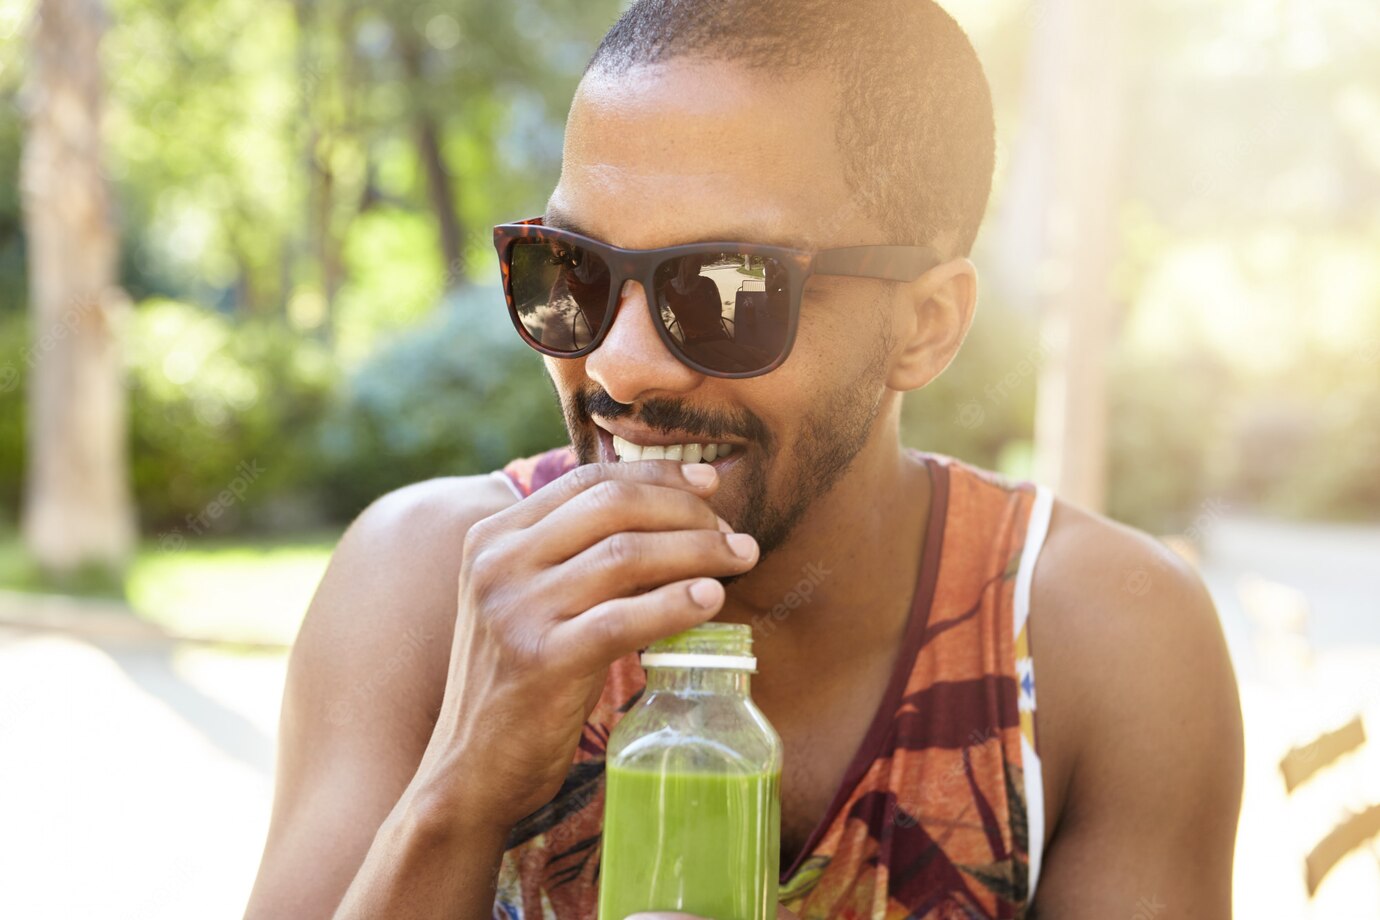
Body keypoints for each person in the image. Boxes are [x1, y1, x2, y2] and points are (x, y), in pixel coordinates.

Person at [245, 1, 1243, 918]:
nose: (619, 364)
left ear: (925, 325)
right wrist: (460, 787)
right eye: (573, 271)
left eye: (728, 289)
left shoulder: (1093, 640)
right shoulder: (424, 583)